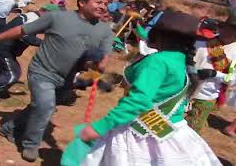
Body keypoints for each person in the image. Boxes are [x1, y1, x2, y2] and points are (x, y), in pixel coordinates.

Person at [61, 13, 222, 166]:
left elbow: (138, 100)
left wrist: (100, 127)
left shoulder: (158, 61)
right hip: (172, 133)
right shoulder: (180, 60)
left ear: (161, 35)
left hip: (141, 133)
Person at [0, 0, 113, 162]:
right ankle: (30, 144)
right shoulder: (58, 17)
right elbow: (21, 31)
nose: (103, 7)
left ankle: (9, 127)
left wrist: (96, 67)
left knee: (42, 106)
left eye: (106, 4)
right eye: (98, 2)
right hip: (42, 70)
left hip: (67, 79)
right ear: (82, 2)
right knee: (45, 107)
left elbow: (104, 59)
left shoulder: (105, 31)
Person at [0, 4, 60, 102]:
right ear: (46, 13)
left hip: (0, 45)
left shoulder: (31, 16)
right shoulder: (34, 19)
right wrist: (44, 43)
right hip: (3, 48)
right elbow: (25, 36)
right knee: (13, 74)